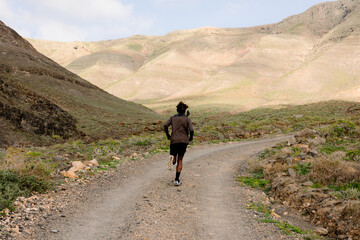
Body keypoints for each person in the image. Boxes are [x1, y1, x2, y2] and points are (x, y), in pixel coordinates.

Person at [164, 101, 194, 186]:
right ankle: (177, 180)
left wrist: (168, 135)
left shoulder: (172, 118)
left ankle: (173, 157)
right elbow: (191, 130)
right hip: (183, 141)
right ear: (185, 110)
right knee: (180, 160)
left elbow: (165, 125)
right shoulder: (187, 119)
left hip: (174, 140)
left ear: (177, 110)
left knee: (174, 155)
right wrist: (190, 138)